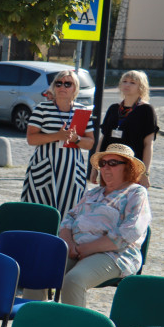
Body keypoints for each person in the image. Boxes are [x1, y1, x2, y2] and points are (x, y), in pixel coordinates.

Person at [58, 144, 151, 308]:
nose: (106, 168)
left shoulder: (136, 192)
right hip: (76, 249)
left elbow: (129, 232)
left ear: (128, 168)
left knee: (73, 280)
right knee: (41, 270)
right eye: (103, 163)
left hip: (115, 254)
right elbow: (69, 219)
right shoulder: (93, 193)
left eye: (113, 163)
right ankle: (35, 322)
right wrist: (69, 244)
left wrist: (88, 248)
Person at [21, 70, 96, 218]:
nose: (63, 87)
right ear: (54, 86)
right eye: (59, 83)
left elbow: (90, 143)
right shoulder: (41, 109)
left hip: (71, 172)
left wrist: (77, 139)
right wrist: (58, 136)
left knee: (70, 213)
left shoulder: (81, 111)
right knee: (39, 212)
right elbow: (31, 139)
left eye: (68, 84)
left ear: (75, 88)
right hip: (44, 169)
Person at [95, 70, 158, 189]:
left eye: (132, 83)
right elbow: (103, 139)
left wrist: (145, 173)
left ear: (141, 87)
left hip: (132, 167)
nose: (127, 85)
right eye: (124, 81)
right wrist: (95, 168)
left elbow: (148, 144)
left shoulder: (146, 110)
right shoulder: (114, 108)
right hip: (108, 166)